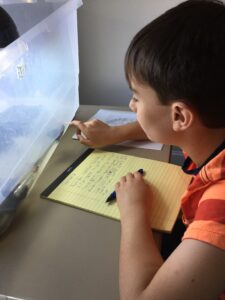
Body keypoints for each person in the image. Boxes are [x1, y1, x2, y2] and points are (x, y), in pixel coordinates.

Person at [71, 0, 225, 299]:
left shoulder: (220, 207)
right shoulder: (212, 124)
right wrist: (115, 133)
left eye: (136, 98)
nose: (131, 106)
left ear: (180, 115)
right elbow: (170, 122)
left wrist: (135, 211)